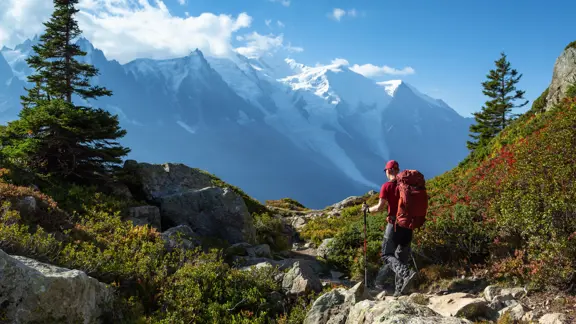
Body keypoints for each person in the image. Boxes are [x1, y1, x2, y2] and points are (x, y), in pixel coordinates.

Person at [362, 159, 417, 296]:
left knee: (387, 255)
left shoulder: (387, 186)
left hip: (394, 225)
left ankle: (406, 273)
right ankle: (400, 291)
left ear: (389, 171)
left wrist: (367, 210)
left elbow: (380, 208)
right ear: (397, 170)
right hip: (408, 225)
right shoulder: (407, 185)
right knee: (401, 258)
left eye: (386, 170)